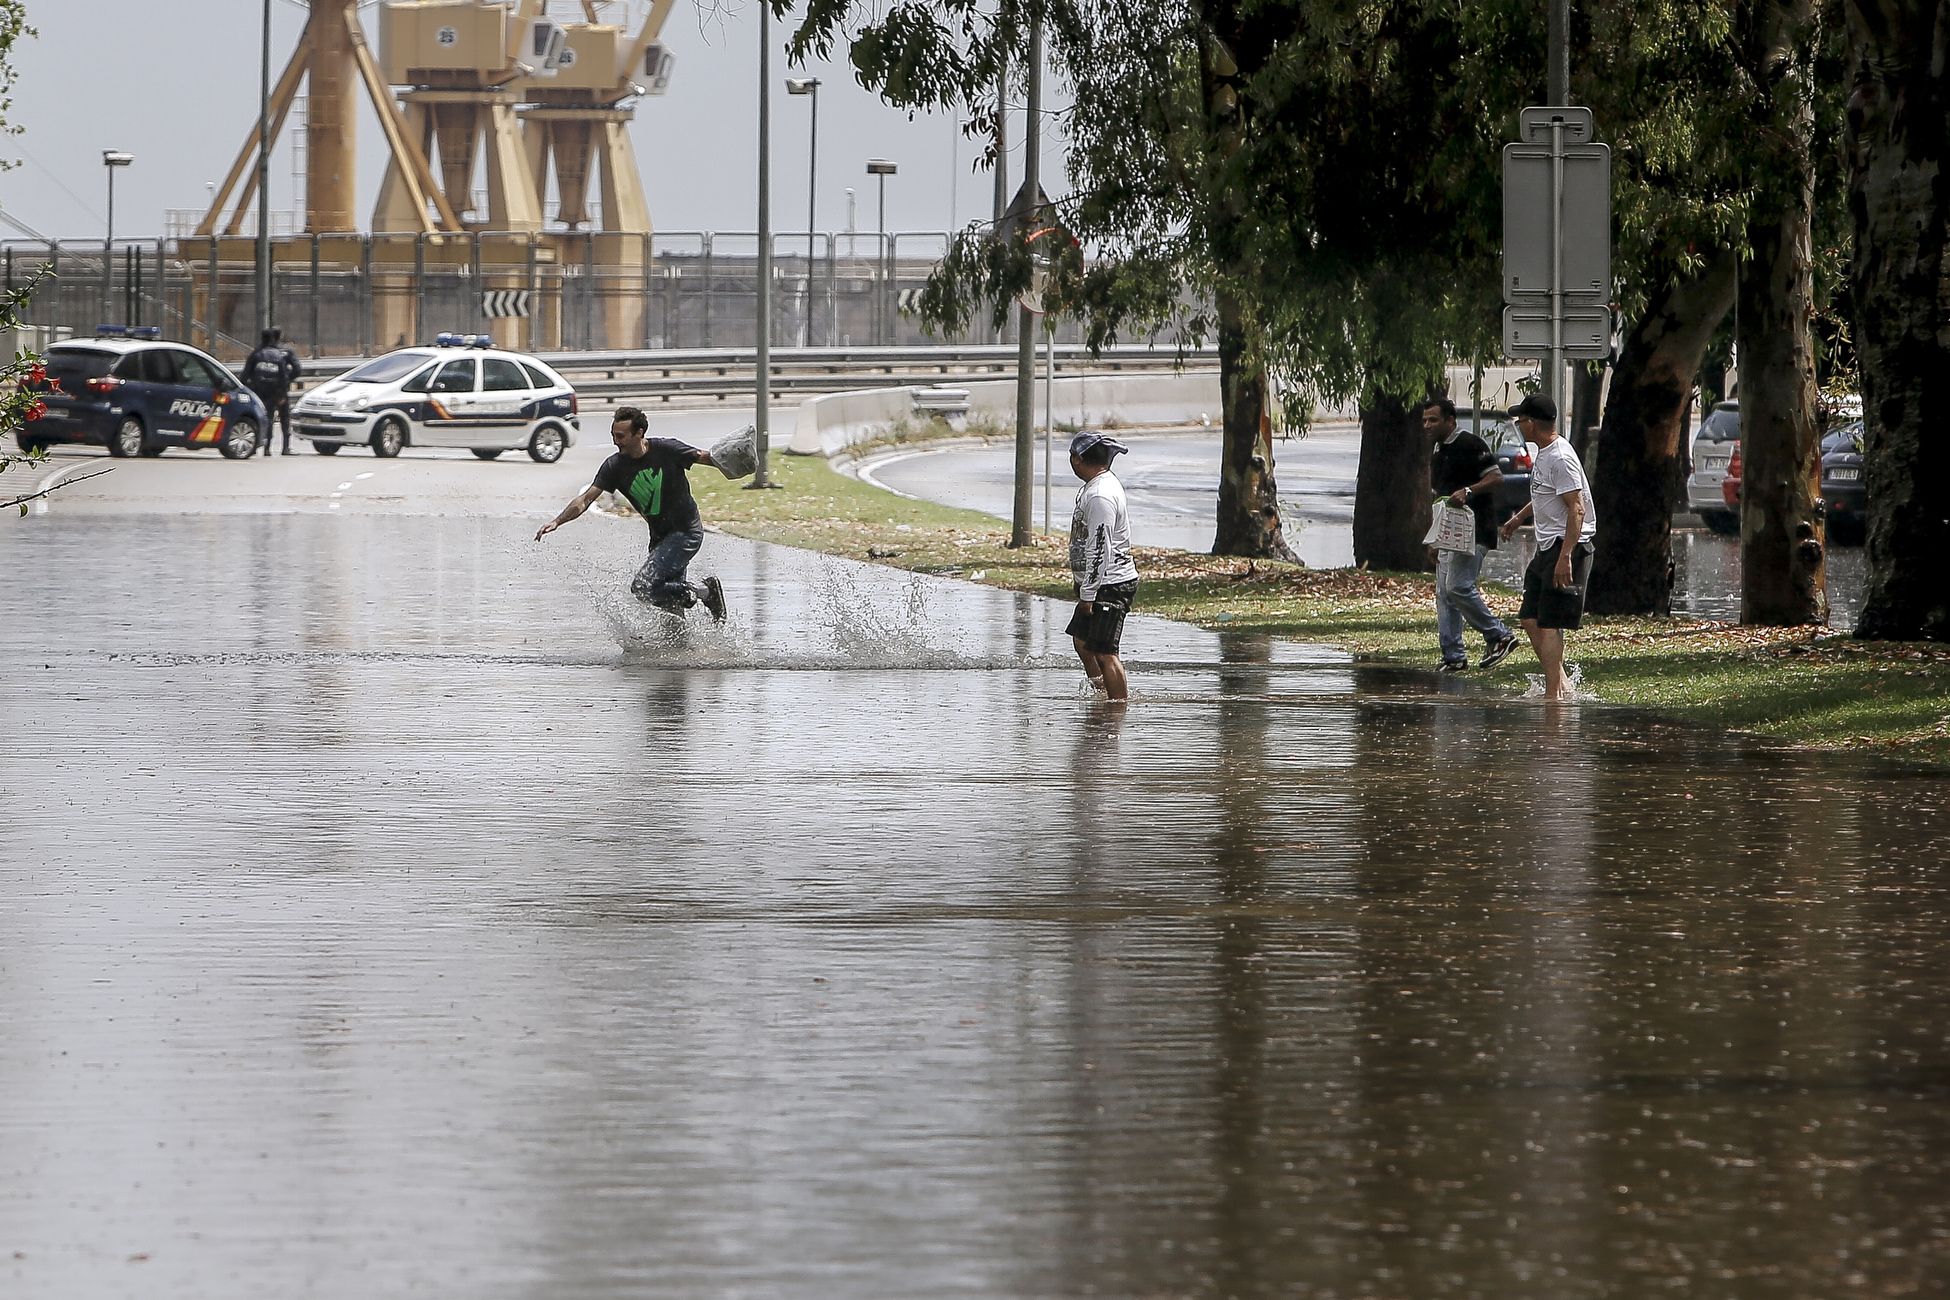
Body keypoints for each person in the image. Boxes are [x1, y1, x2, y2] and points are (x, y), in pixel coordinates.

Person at [534, 406, 728, 622]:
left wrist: (737, 461)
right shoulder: (614, 466)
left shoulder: (667, 449)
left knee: (642, 586)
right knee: (670, 609)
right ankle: (683, 645)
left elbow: (706, 458)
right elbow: (585, 499)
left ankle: (705, 592)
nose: (616, 441)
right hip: (660, 538)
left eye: (621, 436)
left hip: (686, 532)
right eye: (613, 435)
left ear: (639, 433)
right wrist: (557, 521)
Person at [1499, 393, 1597, 699]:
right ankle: (1562, 682)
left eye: (1520, 420)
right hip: (1547, 546)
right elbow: (1544, 494)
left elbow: (1576, 508)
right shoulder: (1545, 454)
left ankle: (1554, 693)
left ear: (1531, 423)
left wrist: (1566, 556)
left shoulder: (1560, 457)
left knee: (1551, 620)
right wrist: (1518, 519)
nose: (1518, 425)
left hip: (1566, 545)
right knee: (1530, 618)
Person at [1425, 397, 1518, 673]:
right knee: (1444, 593)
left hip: (1475, 530)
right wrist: (1434, 539)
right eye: (1424, 420)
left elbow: (1496, 478)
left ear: (1450, 420)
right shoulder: (1438, 453)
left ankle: (1499, 635)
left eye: (1433, 419)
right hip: (1448, 533)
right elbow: (1438, 499)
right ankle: (1453, 656)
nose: (1427, 425)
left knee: (1457, 586)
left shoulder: (1470, 445)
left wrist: (1469, 490)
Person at [1066, 431, 1140, 702]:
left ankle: (1117, 707)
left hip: (1109, 583)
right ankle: (1103, 694)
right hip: (1099, 582)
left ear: (1078, 459)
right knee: (1083, 642)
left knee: (1105, 651)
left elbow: (1100, 547)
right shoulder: (1096, 487)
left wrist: (1088, 595)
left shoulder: (1100, 495)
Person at [243, 327, 302, 455]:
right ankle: (285, 447)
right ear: (279, 336)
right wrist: (286, 383)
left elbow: (245, 374)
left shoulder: (256, 353)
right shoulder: (283, 353)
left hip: (260, 391)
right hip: (279, 390)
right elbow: (295, 370)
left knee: (266, 417)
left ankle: (266, 447)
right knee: (285, 418)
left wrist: (251, 387)